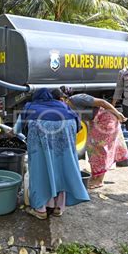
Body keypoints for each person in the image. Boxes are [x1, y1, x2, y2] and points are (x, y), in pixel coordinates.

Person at [14, 88, 90, 219]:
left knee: (40, 170)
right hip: (67, 128)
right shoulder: (63, 105)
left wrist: (12, 132)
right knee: (62, 169)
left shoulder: (30, 106)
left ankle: (41, 209)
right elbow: (78, 126)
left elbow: (16, 130)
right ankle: (58, 208)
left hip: (39, 129)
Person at [53, 87, 128, 189]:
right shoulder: (65, 107)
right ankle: (95, 177)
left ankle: (99, 180)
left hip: (106, 119)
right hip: (94, 122)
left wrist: (117, 113)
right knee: (91, 149)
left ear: (62, 99)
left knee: (100, 150)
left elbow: (102, 103)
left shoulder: (78, 99)